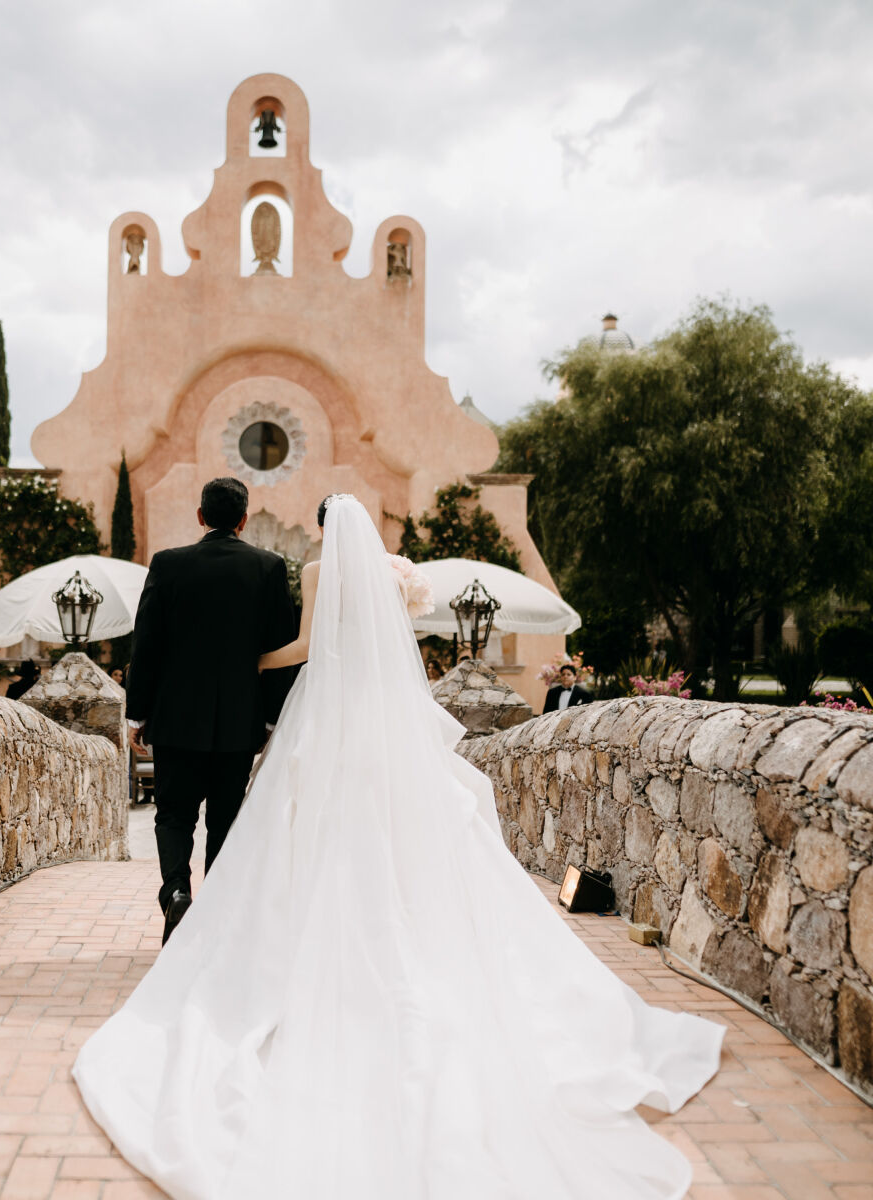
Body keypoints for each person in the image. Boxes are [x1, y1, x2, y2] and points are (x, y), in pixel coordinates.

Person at [73, 494, 722, 1200]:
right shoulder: (375, 575)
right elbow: (369, 646)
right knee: (351, 820)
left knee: (255, 818)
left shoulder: (299, 570)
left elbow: (301, 647)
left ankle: (199, 902)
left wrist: (221, 672)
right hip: (378, 715)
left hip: (311, 711)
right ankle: (383, 922)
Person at [123, 476, 297, 944]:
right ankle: (216, 917)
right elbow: (282, 648)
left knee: (173, 815)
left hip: (176, 719)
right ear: (244, 519)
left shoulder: (168, 564)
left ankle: (177, 892)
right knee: (224, 818)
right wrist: (268, 718)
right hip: (239, 723)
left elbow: (147, 644)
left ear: (201, 516)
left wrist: (137, 713)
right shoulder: (269, 567)